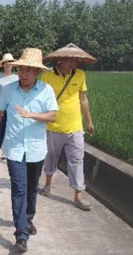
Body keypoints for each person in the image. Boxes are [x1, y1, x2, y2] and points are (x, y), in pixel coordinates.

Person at [0, 48, 58, 253]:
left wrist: (32, 115)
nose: (24, 74)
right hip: (14, 147)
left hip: (36, 149)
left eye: (29, 70)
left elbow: (53, 116)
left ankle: (27, 219)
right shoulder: (9, 90)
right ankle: (21, 235)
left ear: (37, 72)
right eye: (22, 69)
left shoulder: (46, 91)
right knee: (19, 188)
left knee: (31, 188)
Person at [39, 43, 97, 211]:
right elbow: (41, 99)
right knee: (51, 157)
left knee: (77, 160)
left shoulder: (80, 75)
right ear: (60, 60)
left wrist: (89, 121)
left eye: (76, 60)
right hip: (53, 126)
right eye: (70, 59)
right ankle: (48, 184)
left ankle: (78, 195)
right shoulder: (48, 76)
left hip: (75, 126)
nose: (73, 63)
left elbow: (83, 99)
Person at [0, 53, 19, 160]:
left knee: (13, 129)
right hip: (1, 107)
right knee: (1, 129)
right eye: (6, 63)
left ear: (13, 64)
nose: (8, 64)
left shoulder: (17, 78)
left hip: (14, 108)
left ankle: (11, 149)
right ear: (3, 65)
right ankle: (4, 149)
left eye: (10, 62)